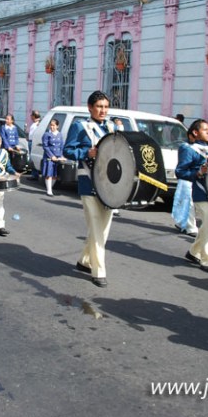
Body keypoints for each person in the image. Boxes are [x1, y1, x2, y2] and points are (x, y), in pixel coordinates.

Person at [63, 91, 116, 288]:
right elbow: (67, 150)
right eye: (99, 106)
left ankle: (84, 261)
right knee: (96, 227)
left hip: (109, 184)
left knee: (103, 229)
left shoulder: (111, 127)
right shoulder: (80, 126)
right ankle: (98, 271)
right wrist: (87, 152)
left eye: (105, 106)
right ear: (90, 108)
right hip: (88, 182)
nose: (103, 110)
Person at [176, 119, 208, 274]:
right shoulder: (188, 149)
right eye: (205, 129)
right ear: (195, 132)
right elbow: (180, 172)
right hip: (201, 192)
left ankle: (194, 252)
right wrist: (199, 172)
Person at [171, 126, 198, 237]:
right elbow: (182, 167)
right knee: (188, 203)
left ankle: (181, 222)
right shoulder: (186, 147)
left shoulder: (201, 147)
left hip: (195, 178)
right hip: (187, 178)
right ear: (191, 135)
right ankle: (190, 227)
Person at [41, 118, 64, 196]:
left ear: (57, 126)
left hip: (57, 157)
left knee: (54, 175)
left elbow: (61, 146)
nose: (52, 127)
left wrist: (61, 156)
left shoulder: (60, 134)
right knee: (49, 174)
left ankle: (51, 187)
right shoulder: (46, 134)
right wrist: (51, 156)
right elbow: (45, 146)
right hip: (49, 157)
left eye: (54, 125)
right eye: (51, 125)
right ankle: (49, 190)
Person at [27, 110, 42, 180]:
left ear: (33, 116)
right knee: (31, 158)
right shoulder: (35, 123)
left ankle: (35, 175)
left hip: (33, 142)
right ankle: (34, 174)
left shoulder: (39, 123)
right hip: (30, 141)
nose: (30, 117)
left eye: (31, 116)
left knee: (33, 158)